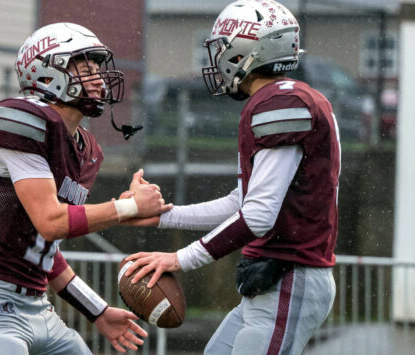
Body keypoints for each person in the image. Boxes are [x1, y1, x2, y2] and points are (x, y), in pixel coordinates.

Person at [123, 1, 340, 354]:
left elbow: (257, 215)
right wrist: (164, 218)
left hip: (288, 277)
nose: (218, 59)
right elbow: (241, 203)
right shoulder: (283, 99)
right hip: (272, 279)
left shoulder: (282, 104)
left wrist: (179, 258)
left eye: (223, 48)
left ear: (245, 52)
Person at [0, 22, 172, 355]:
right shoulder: (22, 120)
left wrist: (98, 311)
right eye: (84, 67)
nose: (97, 77)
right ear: (46, 73)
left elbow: (44, 249)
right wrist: (126, 209)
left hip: (40, 307)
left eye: (97, 67)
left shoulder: (86, 149)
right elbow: (51, 221)